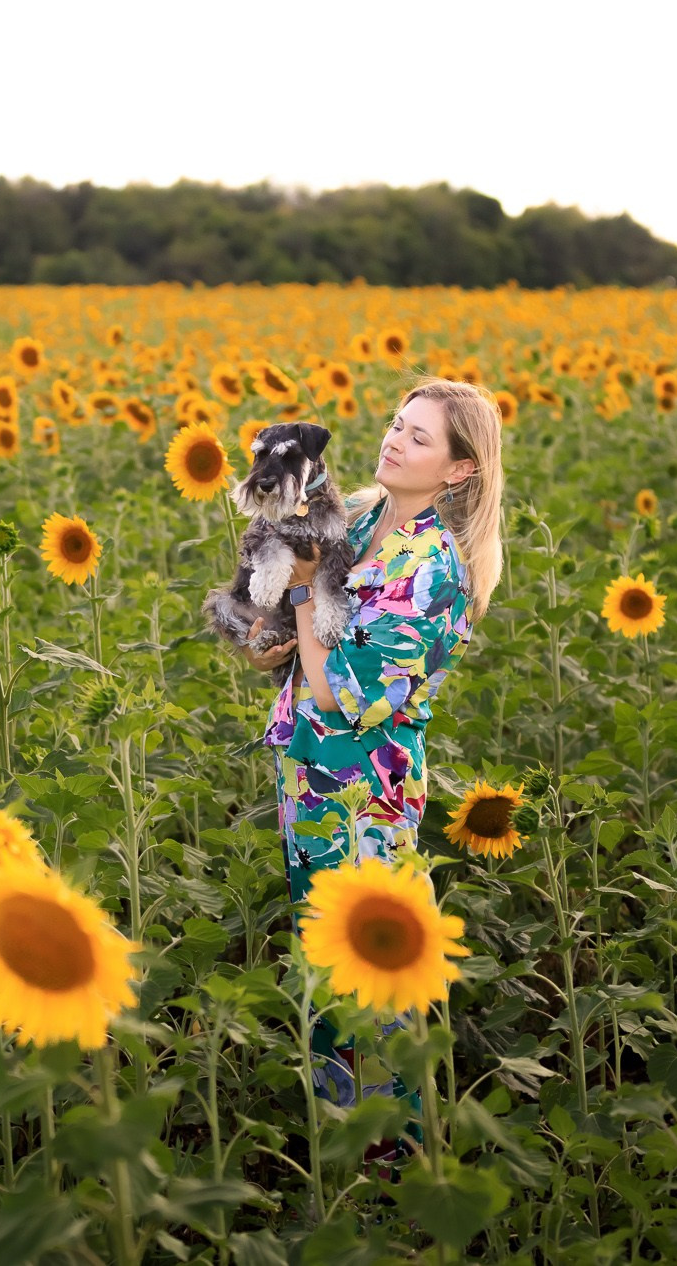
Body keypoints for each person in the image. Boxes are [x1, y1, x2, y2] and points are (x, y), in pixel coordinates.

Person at [236, 377, 506, 1142]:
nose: (394, 439)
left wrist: (297, 591)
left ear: (458, 470)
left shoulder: (433, 570)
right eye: (397, 424)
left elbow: (338, 693)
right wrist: (273, 630)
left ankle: (396, 1158)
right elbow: (278, 655)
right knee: (324, 960)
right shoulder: (351, 517)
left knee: (373, 973)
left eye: (420, 437)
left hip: (365, 792)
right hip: (305, 777)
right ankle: (340, 1143)